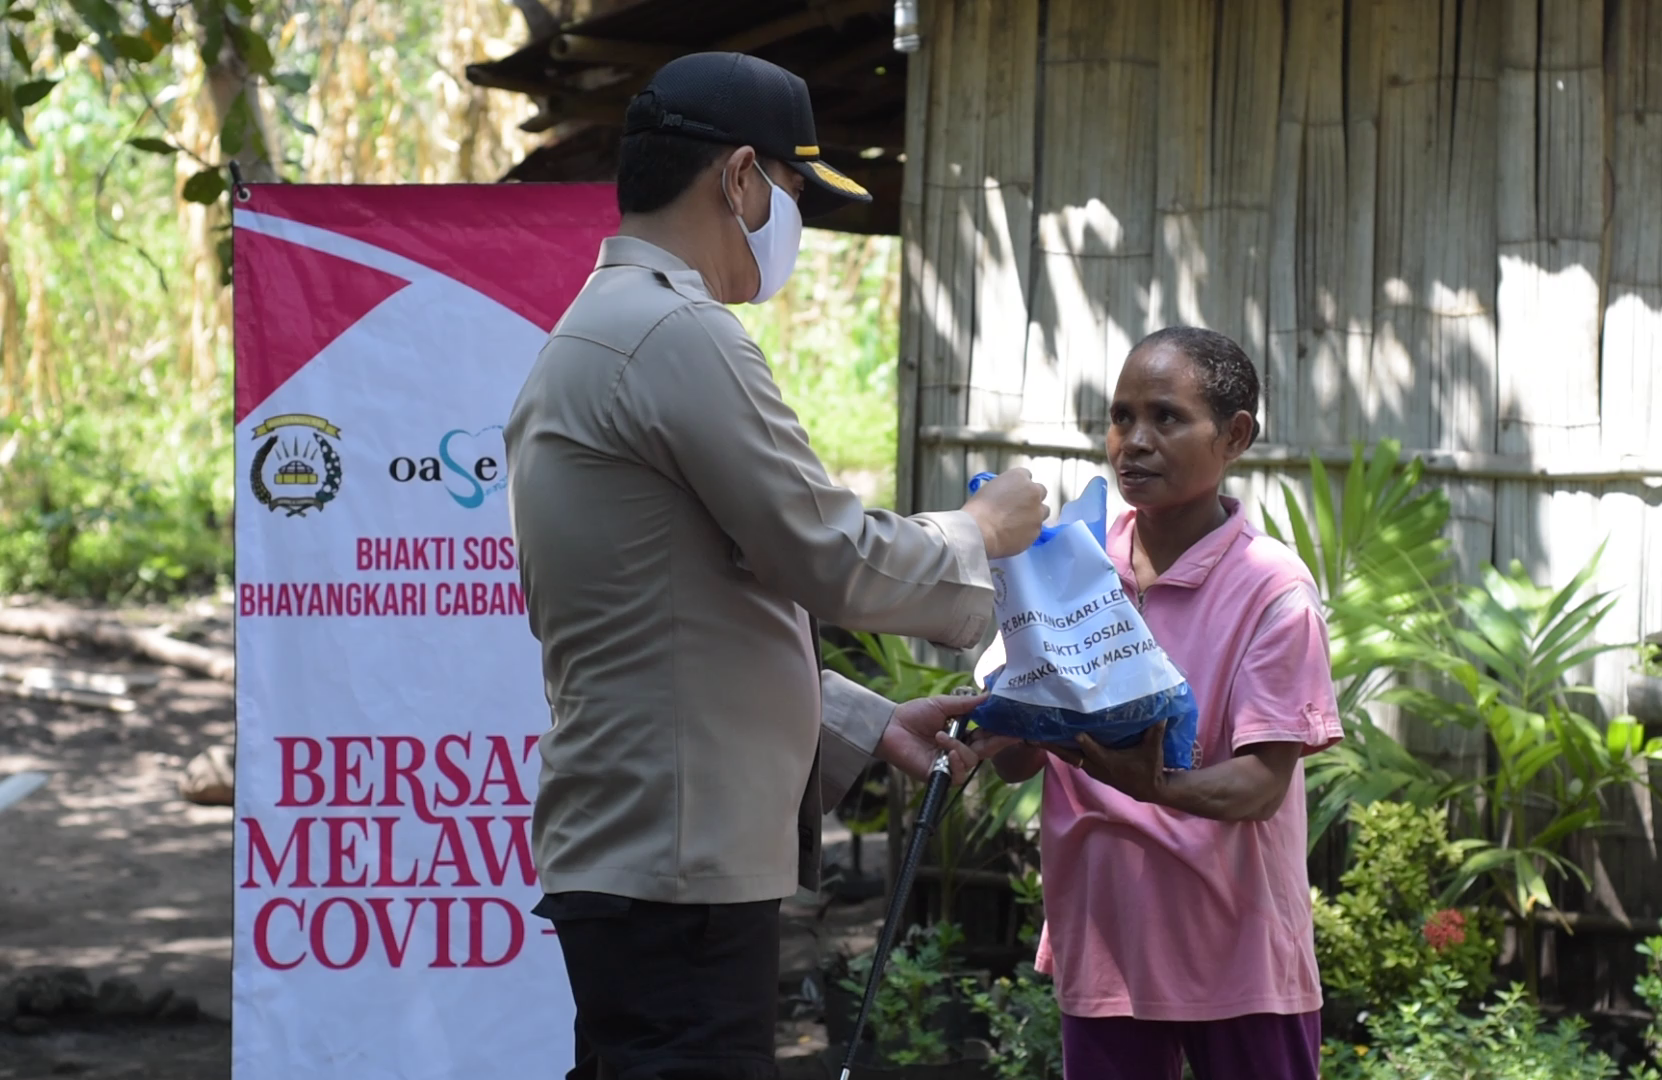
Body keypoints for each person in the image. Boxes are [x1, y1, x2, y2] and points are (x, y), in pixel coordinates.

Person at [502, 51, 1043, 1080]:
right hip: (677, 870)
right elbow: (824, 551)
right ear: (740, 176)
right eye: (797, 190)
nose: (797, 219)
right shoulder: (675, 330)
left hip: (648, 853)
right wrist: (981, 530)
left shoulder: (604, 328)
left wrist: (862, 722)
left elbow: (687, 605)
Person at [982, 326, 1343, 1080]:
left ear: (1235, 436)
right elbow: (1018, 760)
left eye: (1166, 418)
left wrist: (1156, 787)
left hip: (1237, 960)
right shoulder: (1063, 567)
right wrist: (991, 728)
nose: (1133, 441)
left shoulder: (1274, 592)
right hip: (1106, 947)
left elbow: (1260, 784)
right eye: (1120, 417)